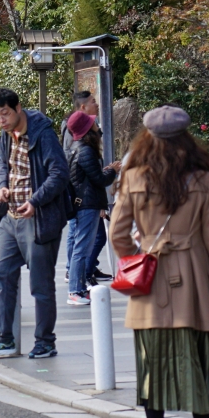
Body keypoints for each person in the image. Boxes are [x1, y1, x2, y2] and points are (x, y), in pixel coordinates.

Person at [110, 105, 209, 418]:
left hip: (150, 279)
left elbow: (117, 233)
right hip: (195, 279)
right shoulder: (204, 179)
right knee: (201, 364)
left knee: (153, 365)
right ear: (186, 138)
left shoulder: (133, 176)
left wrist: (136, 262)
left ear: (148, 138)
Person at [0, 87, 71, 360]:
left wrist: (36, 201)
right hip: (11, 216)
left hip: (38, 219)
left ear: (18, 108)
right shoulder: (6, 136)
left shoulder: (43, 133)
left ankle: (45, 342)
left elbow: (59, 172)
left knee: (40, 285)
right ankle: (3, 338)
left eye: (4, 113)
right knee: (1, 276)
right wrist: (2, 187)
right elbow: (5, 166)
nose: (1, 121)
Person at [64, 111, 119, 305]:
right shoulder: (86, 150)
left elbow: (88, 176)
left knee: (82, 246)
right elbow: (99, 180)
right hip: (87, 204)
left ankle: (78, 288)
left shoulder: (76, 148)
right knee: (82, 247)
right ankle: (75, 290)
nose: (96, 124)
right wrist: (112, 171)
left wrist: (106, 170)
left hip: (84, 203)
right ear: (87, 129)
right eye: (93, 123)